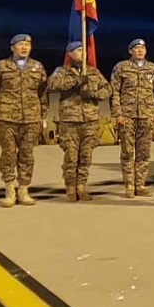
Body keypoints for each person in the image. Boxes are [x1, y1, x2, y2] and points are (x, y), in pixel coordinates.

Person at [0, 34, 48, 207]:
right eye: (20, 44)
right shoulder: (1, 66)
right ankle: (9, 190)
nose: (24, 48)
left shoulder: (37, 67)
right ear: (12, 47)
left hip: (31, 118)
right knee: (8, 154)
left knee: (27, 154)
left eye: (27, 45)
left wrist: (42, 116)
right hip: (6, 118)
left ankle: (24, 190)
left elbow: (43, 93)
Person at [47, 41, 111, 202]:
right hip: (70, 121)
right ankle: (70, 187)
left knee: (86, 156)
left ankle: (81, 186)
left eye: (83, 50)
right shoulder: (62, 71)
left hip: (90, 120)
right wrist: (75, 81)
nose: (82, 53)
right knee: (71, 156)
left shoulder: (93, 72)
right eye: (78, 50)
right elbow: (52, 84)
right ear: (70, 54)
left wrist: (94, 94)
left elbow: (107, 89)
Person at [110, 38, 154, 197]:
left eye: (142, 48)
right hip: (127, 116)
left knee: (144, 152)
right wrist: (117, 114)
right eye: (136, 48)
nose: (140, 50)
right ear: (130, 51)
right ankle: (129, 184)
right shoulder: (122, 67)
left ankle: (140, 184)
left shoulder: (153, 69)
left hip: (147, 116)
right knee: (127, 152)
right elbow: (115, 92)